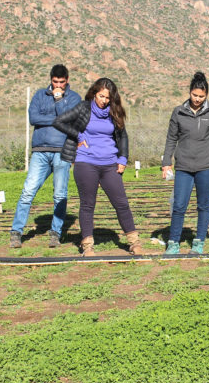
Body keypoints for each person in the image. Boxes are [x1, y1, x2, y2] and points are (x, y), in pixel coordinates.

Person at [52, 77, 143, 256]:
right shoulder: (84, 107)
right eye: (101, 96)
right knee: (87, 204)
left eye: (108, 98)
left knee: (122, 203)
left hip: (110, 163)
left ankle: (134, 242)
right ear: (94, 93)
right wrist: (78, 136)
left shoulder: (114, 111)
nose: (104, 101)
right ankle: (87, 246)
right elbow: (59, 121)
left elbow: (123, 136)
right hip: (86, 162)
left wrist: (123, 158)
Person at [9, 64, 80, 248]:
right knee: (28, 191)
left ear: (67, 81)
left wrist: (58, 102)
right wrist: (58, 120)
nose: (58, 85)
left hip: (62, 152)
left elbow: (68, 117)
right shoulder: (40, 95)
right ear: (51, 80)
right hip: (40, 151)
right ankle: (16, 232)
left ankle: (55, 232)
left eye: (61, 82)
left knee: (59, 195)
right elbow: (33, 118)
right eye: (55, 82)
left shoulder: (73, 98)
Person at [161, 71, 209, 255]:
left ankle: (199, 241)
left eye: (201, 96)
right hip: (183, 167)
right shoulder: (178, 112)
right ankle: (173, 242)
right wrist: (166, 162)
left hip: (207, 167)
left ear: (206, 95)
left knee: (203, 205)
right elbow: (171, 139)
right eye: (194, 95)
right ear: (189, 92)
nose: (197, 99)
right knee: (179, 205)